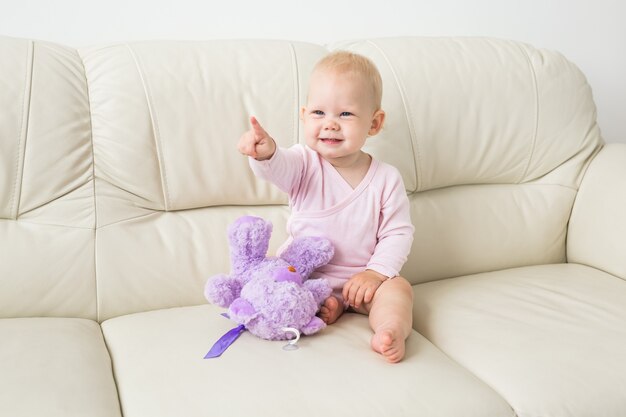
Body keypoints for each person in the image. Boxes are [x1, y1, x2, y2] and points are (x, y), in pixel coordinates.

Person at [237, 51, 414, 363]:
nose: (330, 124)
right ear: (304, 116)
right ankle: (321, 307)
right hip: (305, 274)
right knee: (281, 285)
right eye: (319, 113)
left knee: (399, 290)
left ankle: (390, 330)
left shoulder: (387, 178)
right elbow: (279, 166)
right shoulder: (304, 163)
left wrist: (376, 273)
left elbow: (397, 234)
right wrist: (266, 153)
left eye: (345, 114)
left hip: (363, 281)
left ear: (374, 123)